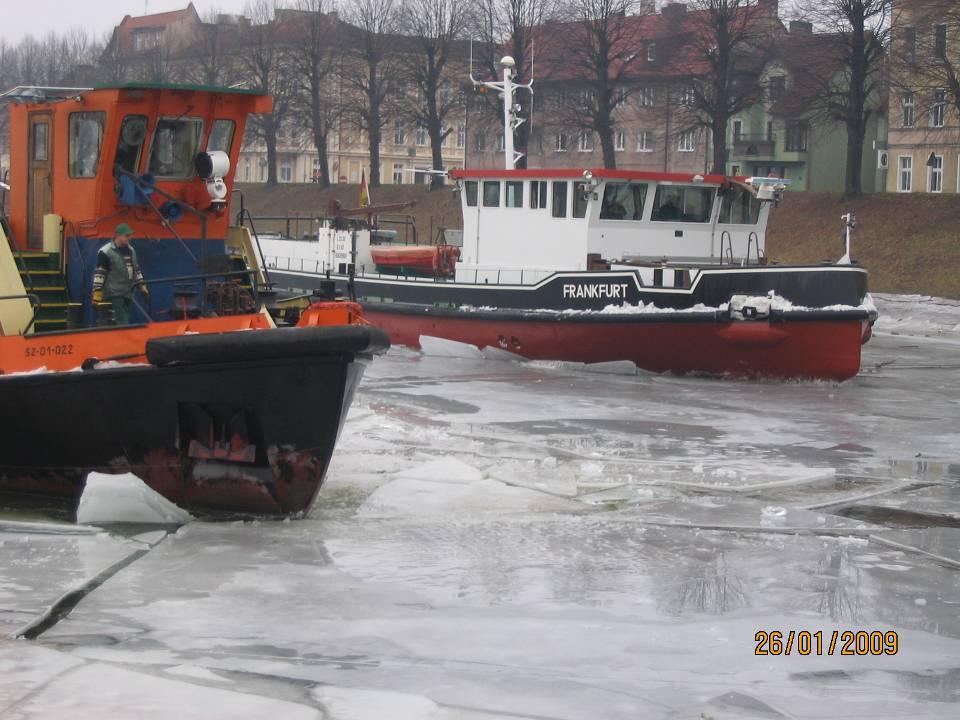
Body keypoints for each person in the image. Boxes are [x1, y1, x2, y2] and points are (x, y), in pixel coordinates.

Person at [92, 223, 148, 325]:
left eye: (130, 235)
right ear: (118, 235)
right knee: (121, 322)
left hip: (128, 293)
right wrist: (97, 292)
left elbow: (136, 269)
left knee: (122, 320)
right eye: (127, 235)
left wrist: (141, 285)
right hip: (114, 294)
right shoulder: (105, 251)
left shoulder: (131, 250)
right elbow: (100, 273)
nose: (129, 238)